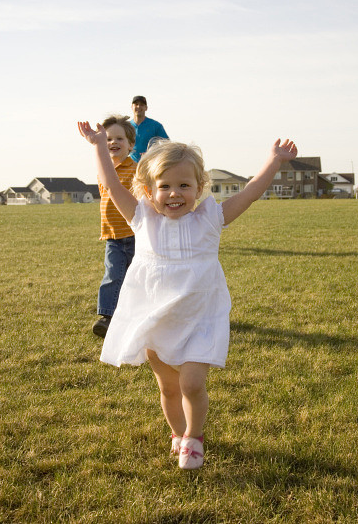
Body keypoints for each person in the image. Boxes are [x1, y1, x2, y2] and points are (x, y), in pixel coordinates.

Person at [78, 119, 298, 470]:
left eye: (184, 185)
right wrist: (99, 145)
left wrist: (274, 161)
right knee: (168, 388)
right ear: (149, 190)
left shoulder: (210, 219)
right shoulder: (141, 219)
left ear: (199, 188)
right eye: (165, 186)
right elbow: (110, 183)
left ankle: (194, 438)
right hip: (156, 316)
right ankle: (178, 435)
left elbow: (250, 192)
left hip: (199, 317)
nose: (174, 193)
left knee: (192, 384)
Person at [91, 115, 137, 338]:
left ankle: (139, 315)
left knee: (137, 277)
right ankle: (107, 317)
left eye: (119, 138)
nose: (113, 143)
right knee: (112, 275)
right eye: (108, 139)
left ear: (131, 145)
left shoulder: (137, 170)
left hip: (135, 235)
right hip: (112, 235)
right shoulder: (104, 171)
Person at [129, 96, 168, 163]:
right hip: (129, 165)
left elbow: (167, 146)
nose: (138, 107)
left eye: (141, 105)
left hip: (150, 164)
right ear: (132, 107)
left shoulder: (156, 126)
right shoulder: (126, 127)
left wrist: (151, 154)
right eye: (136, 104)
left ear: (146, 108)